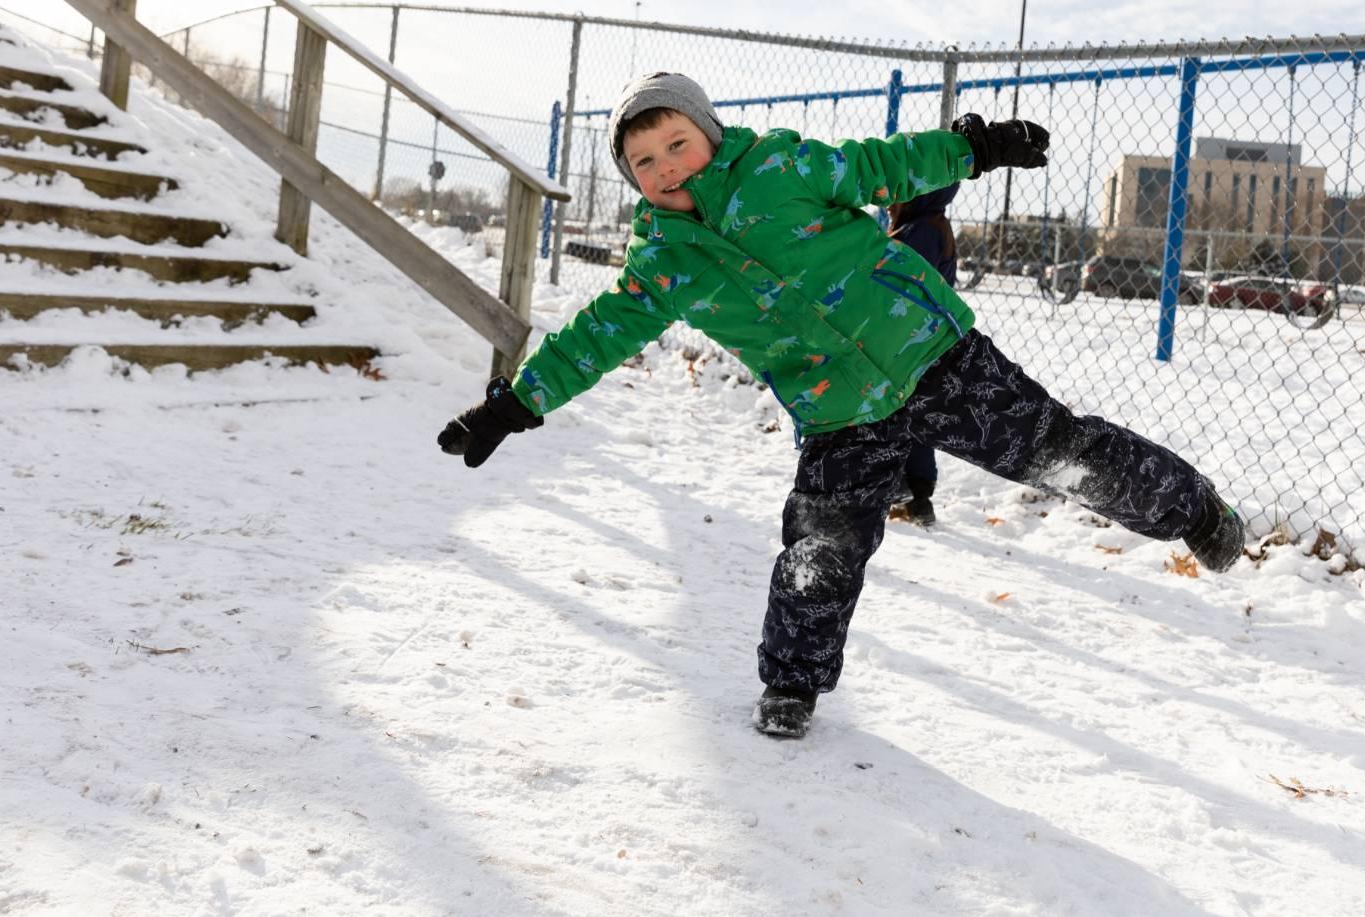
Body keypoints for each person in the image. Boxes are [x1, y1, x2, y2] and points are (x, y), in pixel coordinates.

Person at [439, 72, 1245, 740]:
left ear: (708, 132)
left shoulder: (781, 168)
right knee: (821, 544)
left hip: (932, 352)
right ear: (632, 179)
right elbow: (596, 334)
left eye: (677, 142)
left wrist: (975, 147)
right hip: (837, 407)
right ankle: (791, 685)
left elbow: (880, 166)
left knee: (1060, 452)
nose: (667, 167)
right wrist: (515, 404)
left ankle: (1190, 507)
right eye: (645, 161)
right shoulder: (662, 261)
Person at [882, 181, 961, 527]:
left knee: (896, 413)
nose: (887, 203)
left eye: (895, 194)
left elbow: (902, 285)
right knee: (909, 414)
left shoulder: (921, 232)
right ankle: (916, 497)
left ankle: (900, 486)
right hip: (917, 339)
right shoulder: (924, 226)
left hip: (908, 339)